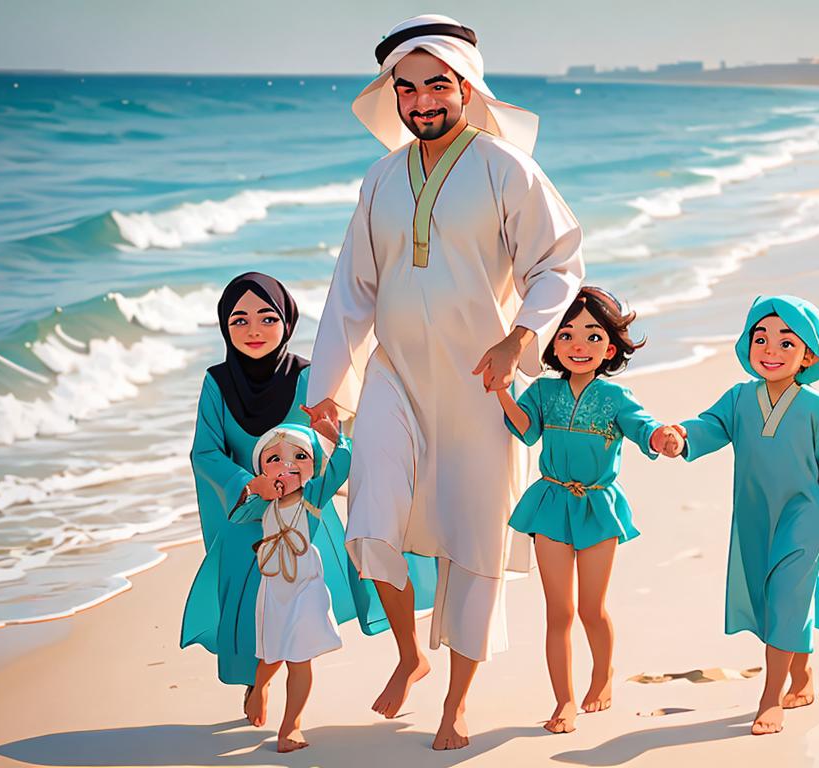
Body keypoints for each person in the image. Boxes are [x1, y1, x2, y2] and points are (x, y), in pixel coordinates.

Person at [305, 14, 585, 749]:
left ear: (466, 87)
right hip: (395, 377)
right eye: (407, 88)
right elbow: (352, 288)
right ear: (392, 95)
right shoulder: (380, 178)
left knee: (472, 540)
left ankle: (456, 701)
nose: (422, 99)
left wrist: (519, 338)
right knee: (371, 516)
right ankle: (409, 654)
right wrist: (328, 386)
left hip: (480, 386)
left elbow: (557, 263)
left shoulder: (505, 169)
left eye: (437, 84)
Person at [180, 273, 405, 711]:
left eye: (267, 318)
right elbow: (205, 452)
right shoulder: (216, 382)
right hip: (244, 515)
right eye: (239, 320)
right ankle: (256, 684)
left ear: (287, 322)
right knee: (248, 607)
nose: (254, 330)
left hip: (298, 516)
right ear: (225, 326)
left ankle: (292, 712)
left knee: (297, 608)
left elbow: (328, 441)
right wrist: (250, 483)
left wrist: (304, 470)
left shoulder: (308, 377)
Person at [661, 295, 819, 735]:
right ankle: (803, 675)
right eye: (761, 339)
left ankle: (770, 697)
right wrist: (681, 436)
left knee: (787, 597)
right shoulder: (739, 399)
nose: (771, 350)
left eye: (786, 343)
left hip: (802, 517)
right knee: (777, 598)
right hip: (755, 518)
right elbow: (710, 426)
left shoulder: (817, 409)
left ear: (808, 355)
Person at [494, 287, 683, 734]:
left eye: (594, 336)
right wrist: (502, 391)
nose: (579, 345)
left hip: (598, 507)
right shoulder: (543, 391)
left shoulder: (616, 398)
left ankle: (602, 675)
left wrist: (664, 438)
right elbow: (526, 430)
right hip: (551, 503)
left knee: (591, 609)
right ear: (552, 343)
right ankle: (564, 700)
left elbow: (645, 428)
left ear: (611, 348)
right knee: (558, 611)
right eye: (567, 335)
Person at [235, 423, 350, 752]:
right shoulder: (265, 505)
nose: (287, 465)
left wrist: (335, 436)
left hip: (305, 587)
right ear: (262, 469)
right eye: (274, 459)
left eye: (299, 457)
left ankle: (290, 727)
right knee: (272, 652)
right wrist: (252, 488)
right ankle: (259, 688)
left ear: (313, 466)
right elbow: (236, 516)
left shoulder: (313, 496)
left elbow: (342, 466)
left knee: (299, 657)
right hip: (274, 588)